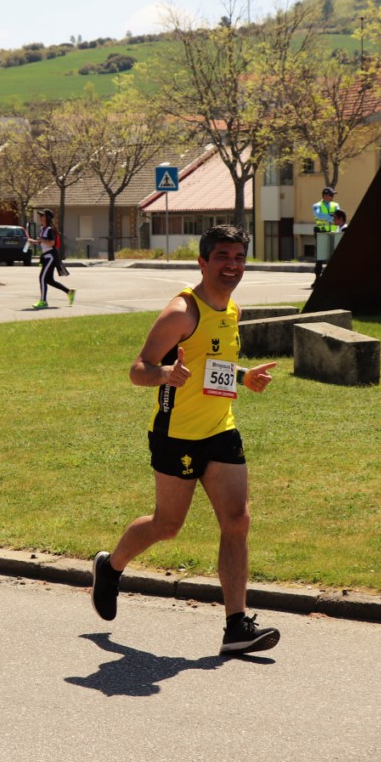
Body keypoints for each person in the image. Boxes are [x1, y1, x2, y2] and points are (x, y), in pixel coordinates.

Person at [90, 223, 281, 655]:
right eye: (222, 257)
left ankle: (236, 625)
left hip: (220, 428)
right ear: (202, 262)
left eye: (239, 258)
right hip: (176, 435)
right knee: (167, 525)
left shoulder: (231, 309)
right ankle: (111, 567)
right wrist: (164, 375)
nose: (232, 266)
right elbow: (139, 369)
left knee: (237, 520)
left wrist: (243, 376)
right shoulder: (182, 311)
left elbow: (211, 364)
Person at [29, 208, 74, 309]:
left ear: (47, 218)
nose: (40, 217)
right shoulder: (42, 229)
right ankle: (69, 292)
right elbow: (42, 242)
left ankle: (43, 301)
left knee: (42, 278)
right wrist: (33, 241)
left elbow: (52, 243)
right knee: (49, 280)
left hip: (51, 256)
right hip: (46, 256)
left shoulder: (50, 229)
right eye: (40, 216)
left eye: (42, 215)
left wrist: (41, 240)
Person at [312, 187, 343, 288]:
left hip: (333, 232)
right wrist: (330, 217)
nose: (332, 197)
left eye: (333, 195)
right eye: (331, 195)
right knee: (320, 257)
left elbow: (338, 215)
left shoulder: (336, 205)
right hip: (321, 232)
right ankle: (317, 278)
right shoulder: (317, 205)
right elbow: (318, 215)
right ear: (325, 195)